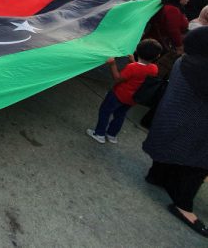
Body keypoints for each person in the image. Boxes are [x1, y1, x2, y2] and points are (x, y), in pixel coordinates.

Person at [143, 27, 208, 238]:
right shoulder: (202, 68)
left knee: (171, 148)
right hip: (193, 126)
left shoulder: (188, 60)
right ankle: (182, 206)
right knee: (198, 163)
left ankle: (157, 176)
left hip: (173, 119)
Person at [86, 38, 162, 143]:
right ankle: (112, 135)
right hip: (133, 99)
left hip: (118, 95)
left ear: (137, 51)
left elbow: (117, 78)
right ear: (157, 56)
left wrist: (112, 64)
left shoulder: (132, 68)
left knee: (105, 111)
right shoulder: (154, 68)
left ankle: (99, 134)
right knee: (120, 115)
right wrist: (133, 61)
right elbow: (141, 72)